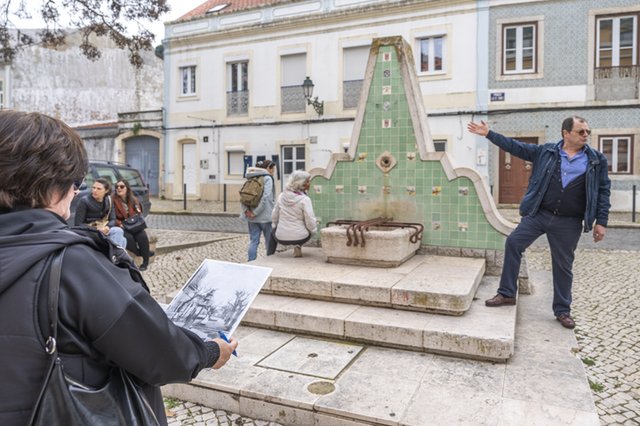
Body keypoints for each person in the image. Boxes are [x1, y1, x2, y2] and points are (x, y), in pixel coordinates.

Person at [0, 110, 238, 425]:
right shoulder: (72, 265)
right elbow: (161, 353)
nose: (77, 191)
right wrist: (209, 352)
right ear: (52, 185)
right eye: (75, 182)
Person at [467, 116, 611, 329]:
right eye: (581, 131)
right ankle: (507, 293)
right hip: (539, 214)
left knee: (563, 265)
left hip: (569, 221)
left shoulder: (596, 160)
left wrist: (602, 221)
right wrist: (489, 134)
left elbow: (603, 191)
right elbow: (515, 147)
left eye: (587, 131)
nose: (586, 135)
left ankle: (562, 310)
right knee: (514, 243)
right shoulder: (546, 152)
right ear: (566, 133)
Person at [271, 170, 318, 257]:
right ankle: (298, 245)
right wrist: (313, 231)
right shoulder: (305, 200)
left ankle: (273, 250)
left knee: (274, 228)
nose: (310, 183)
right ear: (301, 184)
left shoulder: (281, 196)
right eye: (307, 181)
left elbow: (274, 215)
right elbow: (310, 219)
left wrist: (274, 226)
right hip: (300, 237)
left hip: (280, 237)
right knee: (310, 227)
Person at [113, 178, 154, 271]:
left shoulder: (134, 199)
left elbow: (139, 213)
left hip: (134, 225)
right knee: (129, 238)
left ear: (127, 188)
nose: (119, 188)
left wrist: (135, 219)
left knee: (142, 236)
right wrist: (119, 223)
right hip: (122, 225)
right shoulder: (113, 200)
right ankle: (141, 253)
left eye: (122, 186)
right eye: (117, 187)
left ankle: (145, 262)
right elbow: (111, 216)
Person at [74, 177, 128, 248]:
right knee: (119, 233)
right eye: (93, 188)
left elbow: (113, 219)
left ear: (106, 190)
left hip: (103, 229)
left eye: (99, 189)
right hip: (90, 231)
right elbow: (78, 224)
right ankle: (114, 256)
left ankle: (113, 256)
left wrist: (107, 227)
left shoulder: (109, 200)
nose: (95, 191)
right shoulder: (84, 201)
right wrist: (96, 229)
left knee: (123, 239)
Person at [240, 160, 276, 261]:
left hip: (251, 216)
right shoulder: (268, 178)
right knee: (269, 241)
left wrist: (247, 211)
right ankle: (270, 261)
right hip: (265, 217)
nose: (273, 171)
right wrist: (256, 212)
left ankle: (251, 262)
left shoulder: (251, 177)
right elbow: (266, 197)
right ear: (268, 168)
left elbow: (244, 196)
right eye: (273, 169)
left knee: (253, 241)